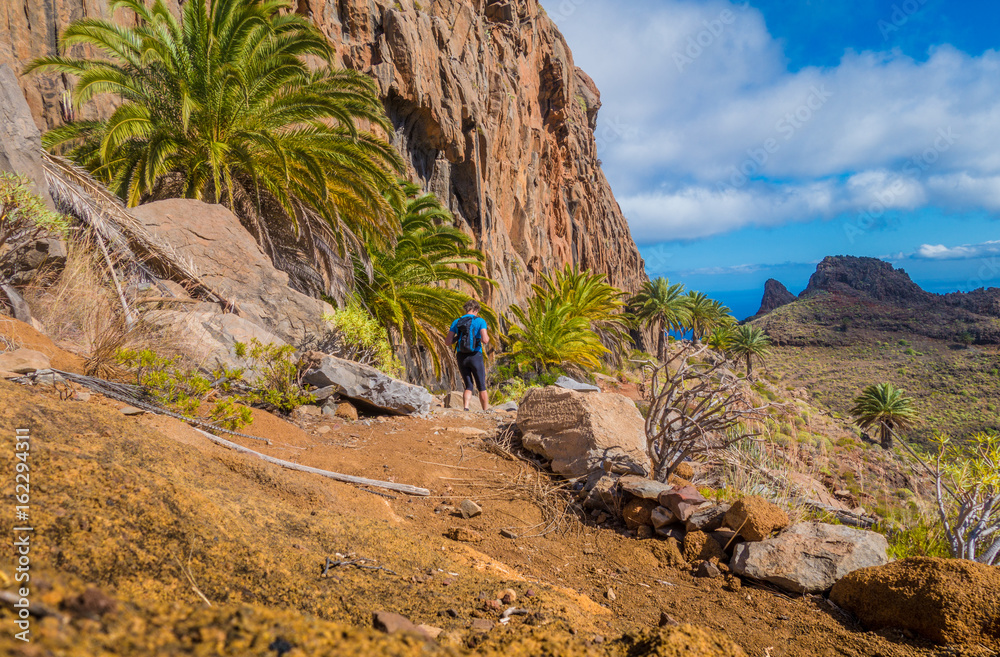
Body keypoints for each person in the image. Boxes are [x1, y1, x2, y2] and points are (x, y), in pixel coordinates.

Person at [447, 300, 490, 411]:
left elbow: (448, 341)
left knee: (468, 385)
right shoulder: (480, 321)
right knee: (481, 386)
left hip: (461, 356)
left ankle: (466, 408)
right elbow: (485, 340)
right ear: (476, 310)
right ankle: (485, 410)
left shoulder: (456, 322)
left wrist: (457, 338)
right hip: (475, 355)